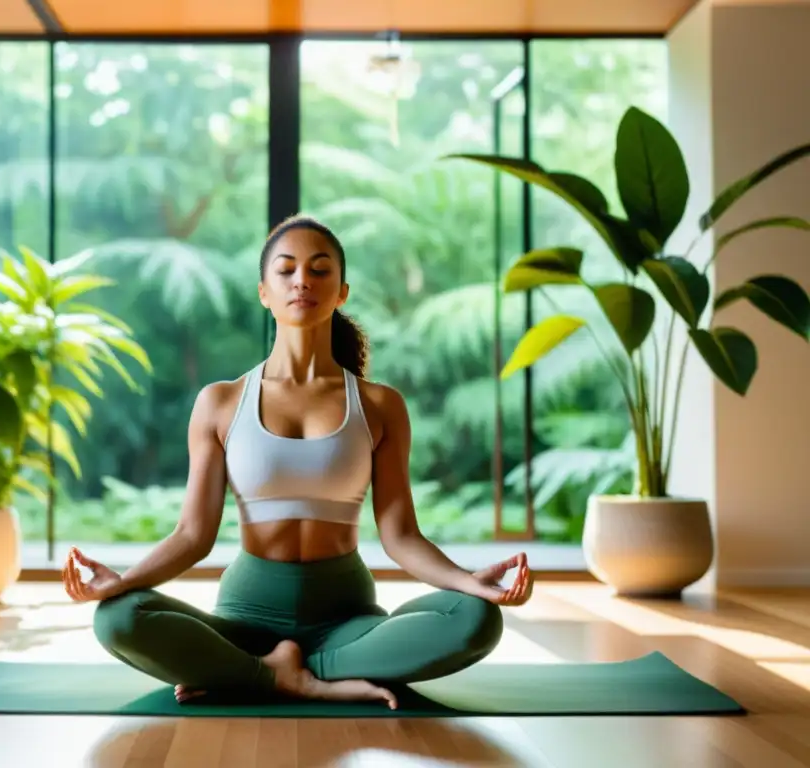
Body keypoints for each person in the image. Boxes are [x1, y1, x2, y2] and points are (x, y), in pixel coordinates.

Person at [62, 214, 533, 709]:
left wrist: (467, 580)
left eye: (319, 269)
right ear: (265, 291)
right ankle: (277, 672)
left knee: (476, 618)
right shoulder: (220, 402)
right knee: (117, 618)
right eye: (286, 270)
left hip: (346, 622)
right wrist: (124, 580)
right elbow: (191, 536)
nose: (302, 280)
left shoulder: (379, 405)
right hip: (245, 618)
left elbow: (401, 535)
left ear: (342, 291)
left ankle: (274, 674)